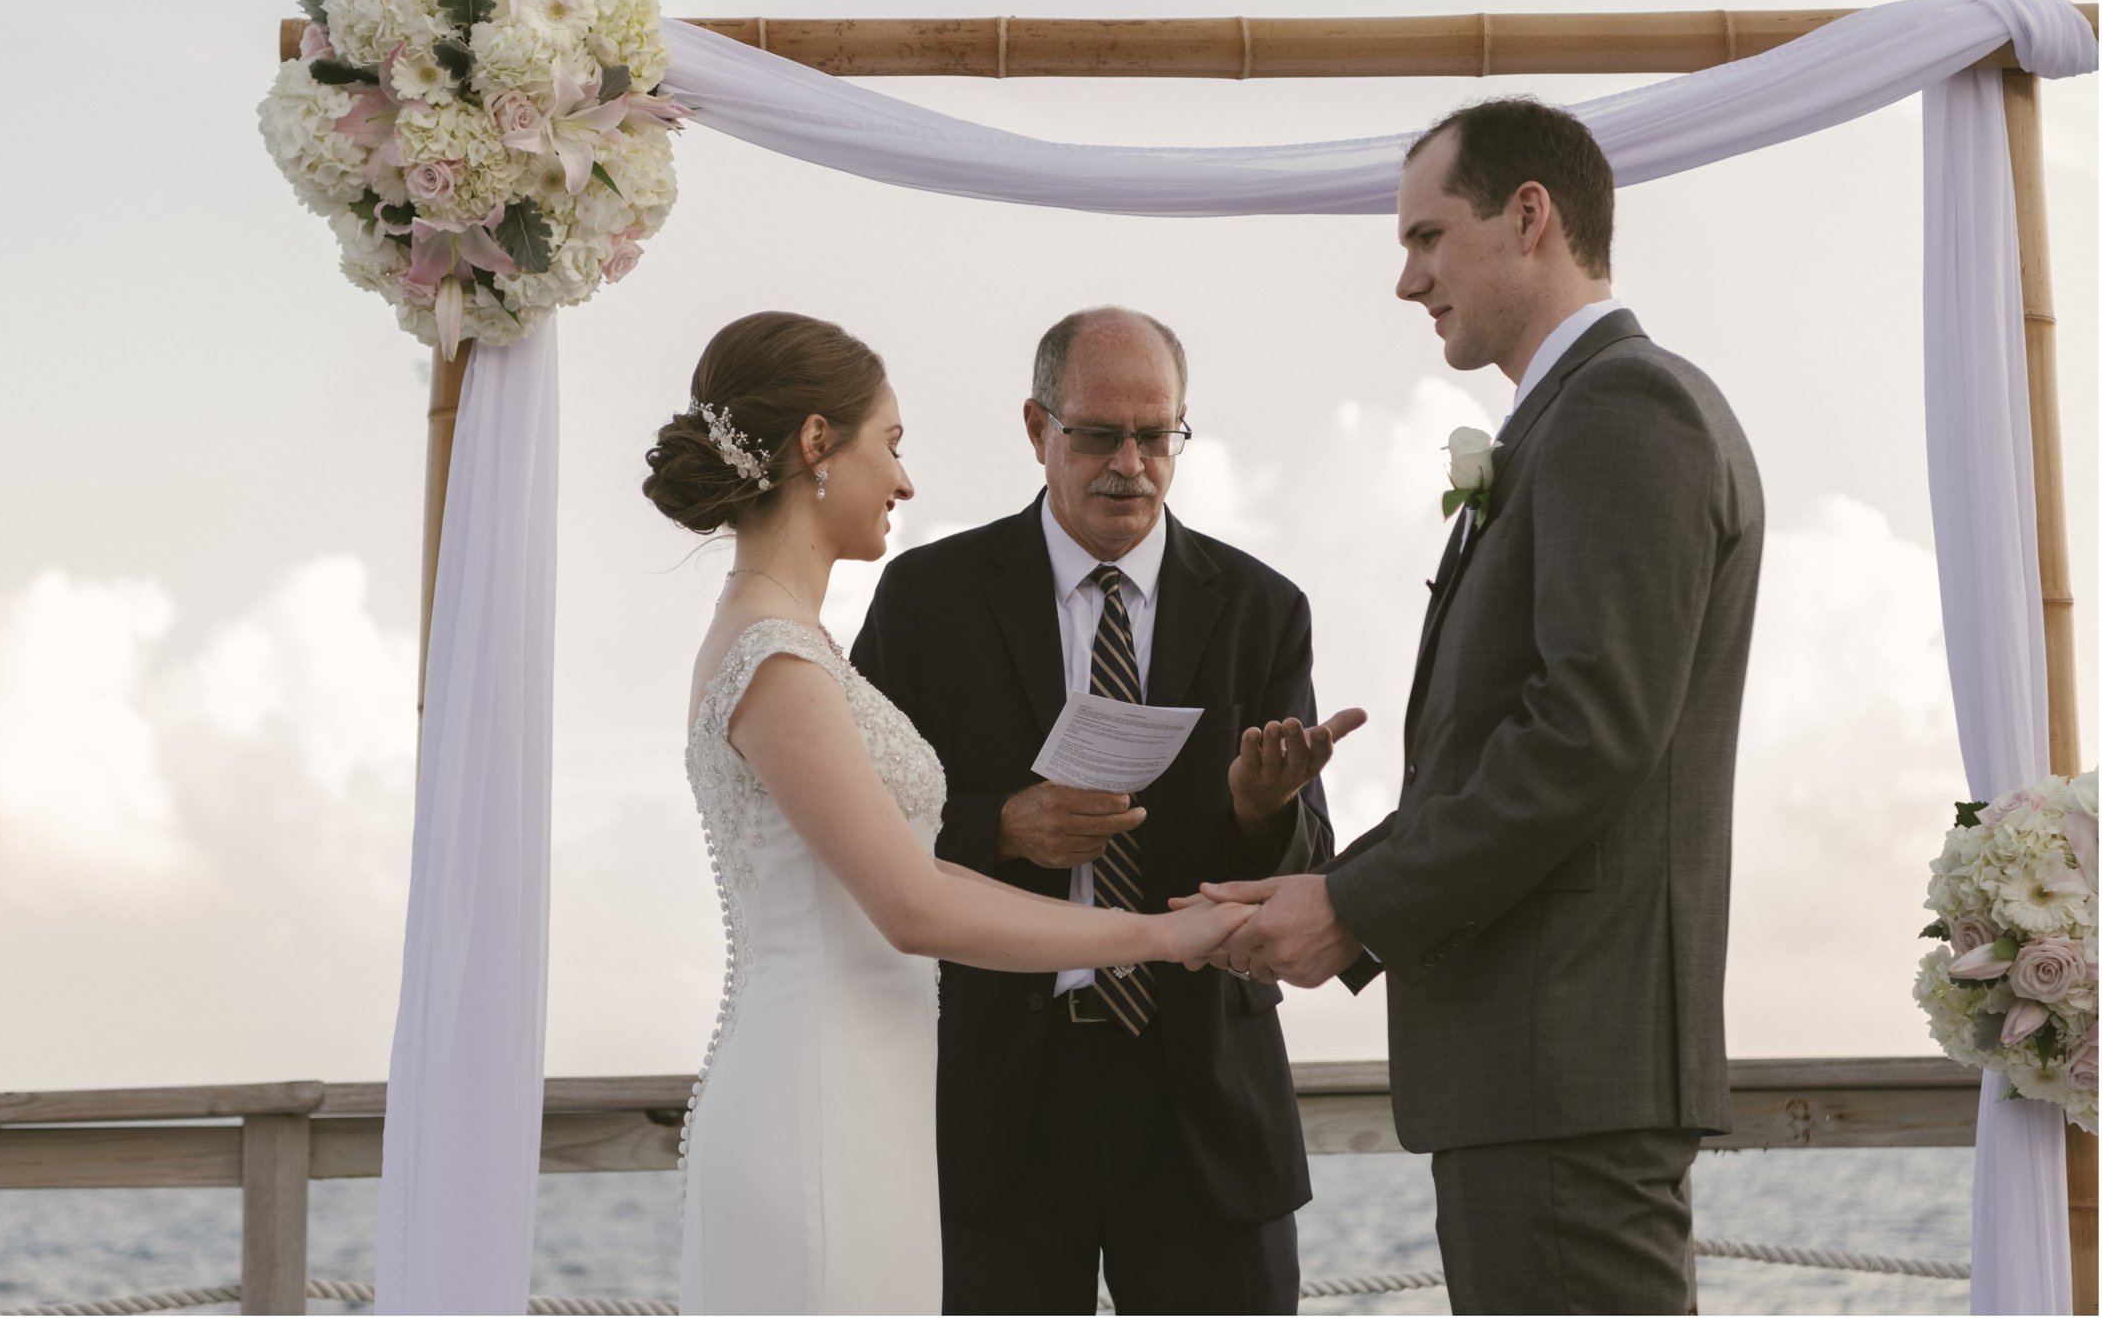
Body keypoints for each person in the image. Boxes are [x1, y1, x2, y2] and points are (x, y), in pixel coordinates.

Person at [1186, 99, 1765, 1314]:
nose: (1407, 280)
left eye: (1426, 237)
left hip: (1564, 1061)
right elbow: (1528, 744)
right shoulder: (1574, 417)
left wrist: (1351, 903)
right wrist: (1335, 888)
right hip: (1533, 1065)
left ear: (1529, 217)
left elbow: (1584, 733)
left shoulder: (1624, 410)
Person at [648, 310, 1256, 1316]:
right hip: (816, 1105)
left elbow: (923, 873)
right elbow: (913, 906)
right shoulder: (774, 658)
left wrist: (1155, 933)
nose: (903, 479)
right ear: (815, 447)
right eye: (887, 443)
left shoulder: (794, 641)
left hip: (871, 1097)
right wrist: (1154, 932)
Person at [851, 307, 1363, 1315]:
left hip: (1204, 1100)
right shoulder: (926, 598)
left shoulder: (1263, 607)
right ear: (1037, 428)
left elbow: (1307, 863)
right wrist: (999, 826)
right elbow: (854, 833)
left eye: (1155, 434)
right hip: (992, 1100)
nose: (1129, 462)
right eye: (1097, 434)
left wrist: (1261, 810)